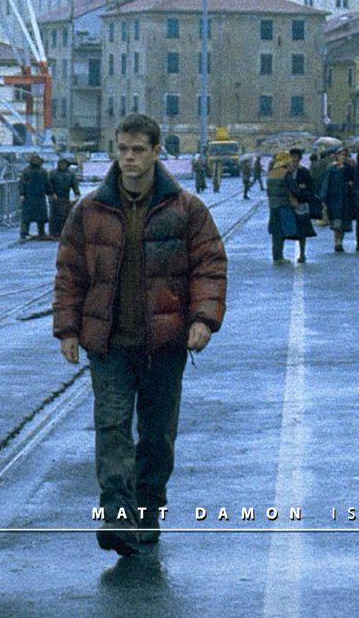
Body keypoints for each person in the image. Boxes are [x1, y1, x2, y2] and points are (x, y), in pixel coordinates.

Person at [53, 114, 227, 557]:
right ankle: (117, 514)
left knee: (157, 435)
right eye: (122, 149)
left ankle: (148, 509)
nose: (128, 157)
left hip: (164, 342)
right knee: (111, 426)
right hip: (108, 342)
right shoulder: (89, 210)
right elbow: (70, 273)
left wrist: (203, 319)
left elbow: (209, 266)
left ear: (155, 153)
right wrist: (67, 329)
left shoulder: (187, 209)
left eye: (137, 150)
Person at [320, 146, 357, 252]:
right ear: (338, 156)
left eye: (345, 155)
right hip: (334, 198)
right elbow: (327, 182)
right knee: (336, 222)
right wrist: (323, 197)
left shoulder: (349, 169)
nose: (344, 157)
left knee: (343, 222)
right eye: (342, 155)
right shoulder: (332, 168)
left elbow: (354, 181)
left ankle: (340, 241)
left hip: (346, 198)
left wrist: (351, 185)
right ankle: (336, 242)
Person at [287, 148, 318, 262]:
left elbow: (312, 187)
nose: (295, 159)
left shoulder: (304, 171)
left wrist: (304, 188)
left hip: (301, 203)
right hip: (288, 203)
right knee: (287, 228)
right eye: (293, 157)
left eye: (297, 157)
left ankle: (302, 253)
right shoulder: (286, 171)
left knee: (302, 230)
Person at [266, 152, 296, 264]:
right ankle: (279, 257)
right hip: (283, 204)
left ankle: (276, 255)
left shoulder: (270, 173)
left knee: (275, 231)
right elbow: (294, 189)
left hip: (272, 204)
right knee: (283, 230)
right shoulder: (286, 173)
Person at [18, 153, 50, 239]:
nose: (36, 161)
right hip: (29, 196)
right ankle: (23, 232)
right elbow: (22, 183)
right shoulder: (26, 170)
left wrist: (50, 193)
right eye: (34, 159)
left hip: (40, 196)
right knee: (26, 216)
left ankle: (41, 232)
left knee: (41, 216)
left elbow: (47, 183)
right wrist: (22, 194)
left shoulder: (43, 171)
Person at [48, 158, 81, 239]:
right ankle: (53, 233)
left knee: (64, 215)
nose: (62, 165)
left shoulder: (70, 174)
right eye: (61, 164)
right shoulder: (53, 173)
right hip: (55, 197)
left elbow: (74, 184)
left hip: (65, 197)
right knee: (54, 216)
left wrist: (77, 193)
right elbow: (48, 184)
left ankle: (63, 232)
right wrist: (51, 193)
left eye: (64, 164)